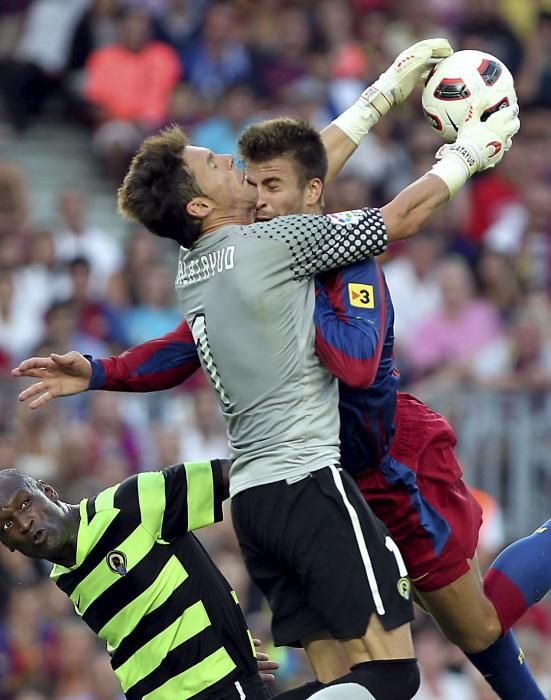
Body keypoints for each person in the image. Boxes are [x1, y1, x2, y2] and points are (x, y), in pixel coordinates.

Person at [12, 39, 521, 700]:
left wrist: (384, 94)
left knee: (345, 676)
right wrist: (472, 152)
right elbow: (395, 217)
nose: (235, 166)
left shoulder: (195, 272)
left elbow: (298, 185)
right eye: (218, 164)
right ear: (200, 205)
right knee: (392, 677)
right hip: (310, 485)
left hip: (256, 509)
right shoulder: (271, 245)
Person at [0, 462, 278, 699]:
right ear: (7, 544)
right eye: (7, 524)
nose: (24, 523)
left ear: (48, 491)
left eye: (25, 503)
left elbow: (238, 471)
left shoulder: (129, 504)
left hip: (219, 690)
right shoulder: (66, 577)